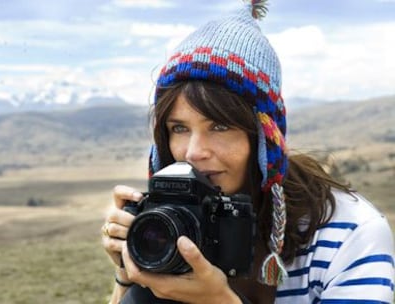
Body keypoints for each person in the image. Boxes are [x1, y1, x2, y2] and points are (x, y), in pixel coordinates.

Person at [101, 1, 395, 303]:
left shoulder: (348, 232)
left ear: (264, 138)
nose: (193, 152)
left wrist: (218, 300)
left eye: (219, 127)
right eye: (179, 128)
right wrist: (130, 270)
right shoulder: (172, 225)